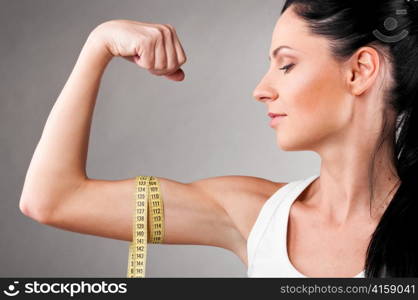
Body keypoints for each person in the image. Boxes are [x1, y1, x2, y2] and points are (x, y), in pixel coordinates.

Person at [19, 0, 418, 278]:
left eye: (286, 64)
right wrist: (99, 44)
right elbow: (53, 199)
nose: (260, 89)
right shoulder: (253, 215)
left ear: (359, 70)